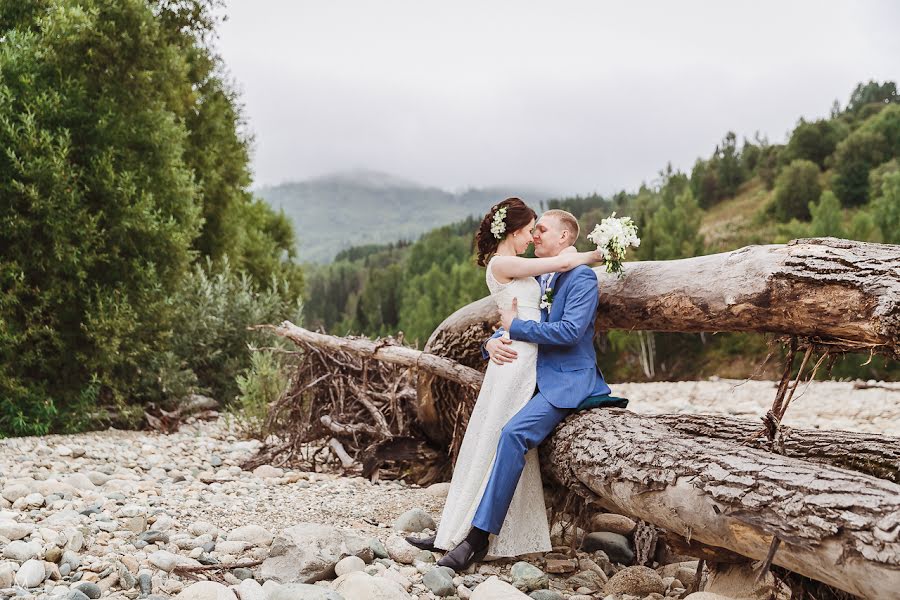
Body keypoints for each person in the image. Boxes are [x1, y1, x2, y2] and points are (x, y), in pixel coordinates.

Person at [405, 198, 603, 562]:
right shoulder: (541, 273)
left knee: (510, 434)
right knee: (485, 434)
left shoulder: (581, 277)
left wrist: (514, 327)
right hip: (527, 370)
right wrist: (494, 341)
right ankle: (456, 528)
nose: (535, 235)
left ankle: (477, 538)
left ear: (563, 236)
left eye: (541, 229)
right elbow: (515, 318)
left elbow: (571, 332)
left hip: (565, 380)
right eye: (532, 228)